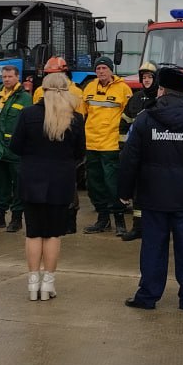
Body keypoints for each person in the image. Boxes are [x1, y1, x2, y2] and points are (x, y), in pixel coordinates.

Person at [118, 65, 183, 311]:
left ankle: (148, 296)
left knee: (153, 246)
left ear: (161, 89)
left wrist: (125, 191)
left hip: (152, 195)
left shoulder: (145, 120)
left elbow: (130, 159)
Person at [9, 71, 86, 300]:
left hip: (32, 178)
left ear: (43, 90)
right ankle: (48, 284)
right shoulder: (75, 118)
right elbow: (80, 152)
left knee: (33, 233)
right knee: (53, 234)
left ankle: (33, 284)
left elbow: (14, 146)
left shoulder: (28, 114)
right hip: (61, 181)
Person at [81, 56, 132, 235]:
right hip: (92, 145)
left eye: (104, 68)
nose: (101, 71)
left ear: (111, 70)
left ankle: (119, 221)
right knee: (95, 185)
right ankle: (102, 220)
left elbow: (129, 117)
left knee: (113, 184)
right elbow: (82, 113)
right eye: (98, 68)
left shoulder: (123, 89)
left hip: (111, 145)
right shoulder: (89, 87)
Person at [0, 65, 32, 232]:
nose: (6, 79)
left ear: (17, 77)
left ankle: (16, 219)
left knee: (18, 186)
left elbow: (27, 125)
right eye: (4, 77)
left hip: (15, 151)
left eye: (9, 76)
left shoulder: (24, 99)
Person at [117, 61, 158, 242]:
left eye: (150, 77)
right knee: (137, 192)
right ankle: (138, 227)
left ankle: (156, 228)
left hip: (155, 154)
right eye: (144, 77)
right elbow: (124, 123)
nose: (146, 80)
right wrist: (124, 148)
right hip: (136, 153)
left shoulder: (161, 97)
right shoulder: (135, 98)